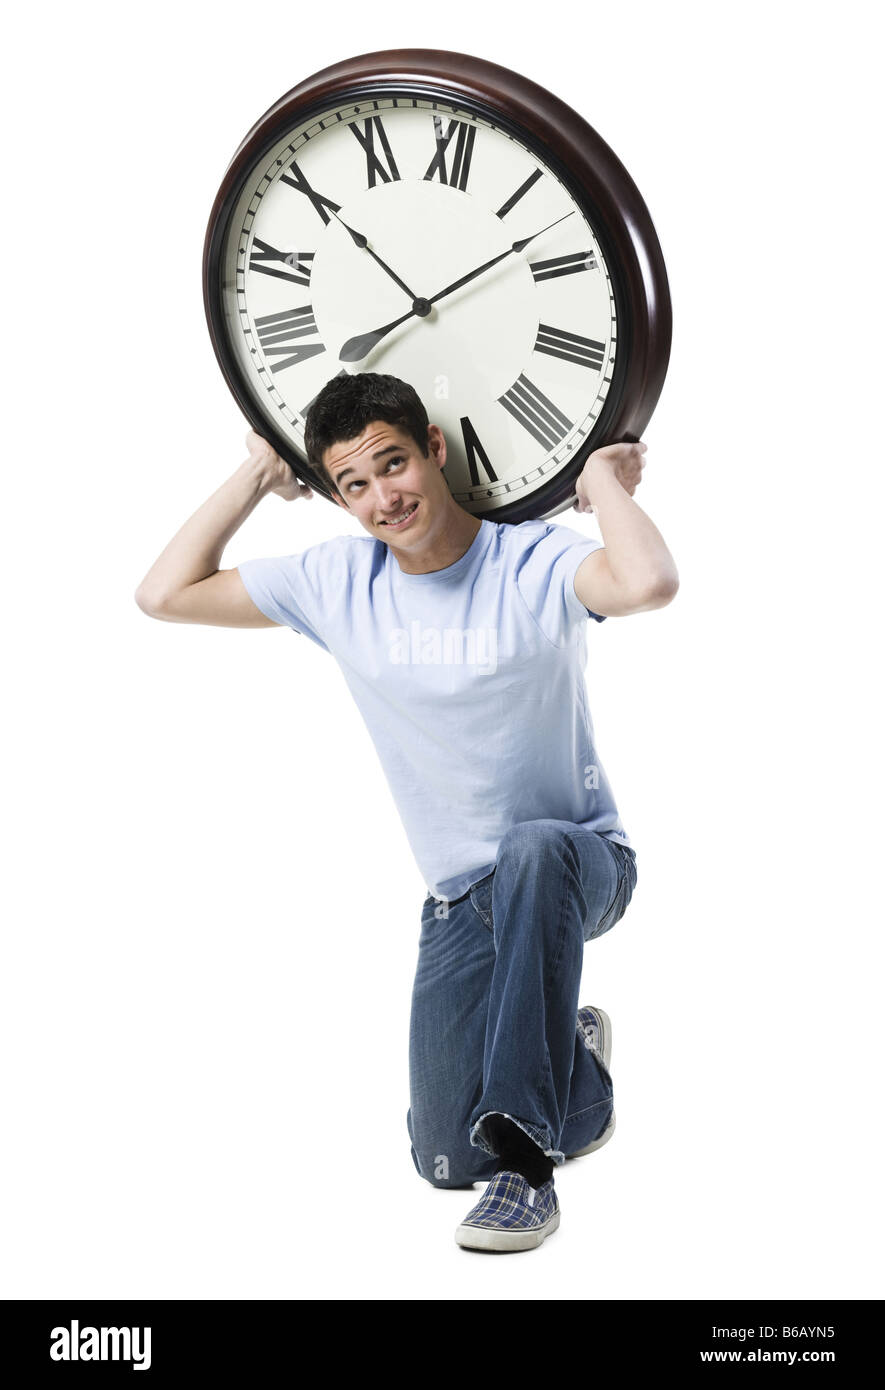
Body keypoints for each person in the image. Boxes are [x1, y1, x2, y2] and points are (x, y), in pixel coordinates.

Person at [135, 373, 679, 1253]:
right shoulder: (335, 583)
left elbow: (648, 581)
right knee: (437, 1158)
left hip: (578, 865)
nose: (383, 497)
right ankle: (562, 1056)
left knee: (533, 848)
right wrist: (255, 476)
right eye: (354, 484)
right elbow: (163, 595)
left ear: (433, 446)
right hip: (462, 897)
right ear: (338, 497)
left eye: (393, 463)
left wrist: (604, 480)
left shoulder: (527, 559)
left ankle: (526, 1170)